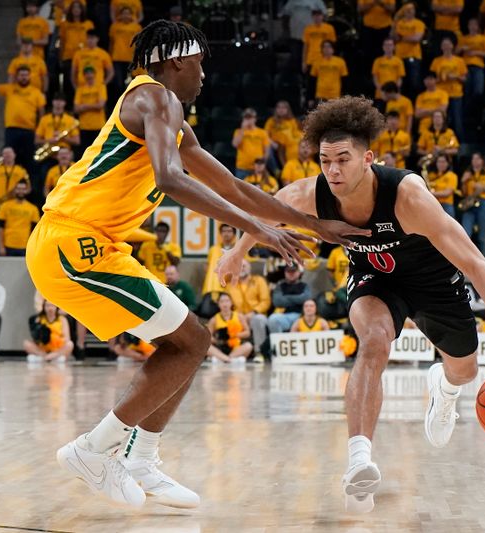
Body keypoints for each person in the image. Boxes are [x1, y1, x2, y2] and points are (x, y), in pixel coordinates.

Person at [26, 20, 366, 510]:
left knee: (190, 342)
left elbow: (234, 187)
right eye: (200, 64)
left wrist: (312, 225)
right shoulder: (154, 97)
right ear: (176, 63)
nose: (205, 75)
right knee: (189, 341)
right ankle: (93, 449)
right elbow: (169, 179)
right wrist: (260, 230)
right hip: (71, 241)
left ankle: (141, 458)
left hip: (94, 244)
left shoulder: (169, 116)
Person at [216, 95, 485, 513]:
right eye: (324, 160)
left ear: (368, 158)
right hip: (375, 279)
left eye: (343, 160)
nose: (332, 170)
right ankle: (359, 461)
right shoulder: (311, 194)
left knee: (465, 370)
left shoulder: (408, 197)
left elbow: (476, 263)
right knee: (373, 342)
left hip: (433, 280)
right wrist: (238, 252)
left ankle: (443, 388)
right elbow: (268, 210)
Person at [0, 64, 46, 173]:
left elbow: (41, 113)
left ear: (30, 76)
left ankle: (30, 187)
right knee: (9, 157)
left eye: (26, 75)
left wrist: (39, 130)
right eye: (21, 75)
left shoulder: (36, 92)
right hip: (11, 130)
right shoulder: (10, 88)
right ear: (16, 77)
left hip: (29, 131)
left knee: (29, 160)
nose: (23, 77)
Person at [227, 259, 271, 358]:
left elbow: (266, 301)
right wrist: (237, 316)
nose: (241, 268)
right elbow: (228, 304)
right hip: (238, 318)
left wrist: (253, 312)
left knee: (257, 320)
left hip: (256, 315)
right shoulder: (230, 285)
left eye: (244, 266)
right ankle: (234, 353)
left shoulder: (259, 281)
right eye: (239, 266)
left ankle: (259, 352)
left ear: (249, 268)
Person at [460, 152, 485, 257]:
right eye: (473, 159)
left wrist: (483, 188)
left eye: (477, 159)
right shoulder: (468, 174)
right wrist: (463, 181)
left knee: (481, 237)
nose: (475, 161)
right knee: (465, 234)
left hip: (484, 203)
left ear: (482, 161)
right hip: (470, 203)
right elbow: (463, 193)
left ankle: (483, 263)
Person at [429, 36, 467, 138]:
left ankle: (458, 143)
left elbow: (464, 79)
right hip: (441, 95)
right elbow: (432, 80)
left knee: (457, 120)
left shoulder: (460, 61)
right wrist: (441, 78)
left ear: (452, 46)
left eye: (448, 44)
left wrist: (455, 76)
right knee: (443, 120)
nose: (446, 46)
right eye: (444, 44)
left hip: (456, 94)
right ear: (441, 47)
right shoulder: (436, 61)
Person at [0, 179, 41, 257]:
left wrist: (34, 248)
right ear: (15, 190)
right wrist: (1, 246)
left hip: (25, 246)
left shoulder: (33, 209)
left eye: (23, 189)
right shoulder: (5, 206)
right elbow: (0, 227)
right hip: (8, 245)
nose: (21, 191)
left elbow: (36, 231)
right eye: (19, 189)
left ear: (26, 190)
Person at [206, 292, 252, 363]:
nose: (225, 304)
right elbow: (208, 336)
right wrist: (217, 340)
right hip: (220, 347)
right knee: (206, 347)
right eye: (222, 301)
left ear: (231, 303)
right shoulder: (214, 319)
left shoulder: (239, 316)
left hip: (235, 347)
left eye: (227, 301)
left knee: (248, 346)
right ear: (218, 304)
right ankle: (229, 360)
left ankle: (222, 359)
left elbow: (247, 332)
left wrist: (234, 334)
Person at [0, 147, 30, 217]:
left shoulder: (21, 171)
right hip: (0, 203)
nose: (7, 155)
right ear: (2, 156)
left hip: (15, 205)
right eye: (5, 153)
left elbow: (28, 188)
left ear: (14, 155)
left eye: (10, 153)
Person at [108, 7, 142, 101]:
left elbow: (140, 43)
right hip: (117, 58)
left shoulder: (137, 27)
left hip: (131, 59)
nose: (126, 15)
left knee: (132, 84)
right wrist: (110, 56)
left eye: (128, 13)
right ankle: (119, 103)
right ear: (120, 15)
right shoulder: (114, 26)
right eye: (124, 13)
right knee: (118, 84)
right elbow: (111, 42)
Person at [392, 3, 425, 96]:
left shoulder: (419, 23)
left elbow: (416, 39)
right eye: (407, 9)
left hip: (413, 57)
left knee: (414, 84)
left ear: (415, 11)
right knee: (400, 84)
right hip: (399, 57)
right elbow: (393, 37)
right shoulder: (398, 23)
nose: (409, 11)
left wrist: (401, 37)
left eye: (411, 9)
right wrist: (395, 21)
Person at [268, 263, 311, 333]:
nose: (291, 273)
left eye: (293, 271)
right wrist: (298, 299)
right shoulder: (280, 286)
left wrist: (286, 297)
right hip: (284, 316)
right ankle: (278, 342)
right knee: (272, 319)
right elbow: (277, 302)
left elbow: (306, 299)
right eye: (288, 271)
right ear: (285, 273)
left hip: (301, 315)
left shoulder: (304, 286)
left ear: (298, 272)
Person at [74, 66, 108, 155]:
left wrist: (84, 106)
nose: (89, 75)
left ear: (94, 74)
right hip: (84, 126)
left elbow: (100, 105)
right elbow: (76, 108)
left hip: (98, 125)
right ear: (84, 76)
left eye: (90, 73)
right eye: (86, 73)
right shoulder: (80, 89)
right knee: (85, 153)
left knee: (99, 152)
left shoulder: (100, 86)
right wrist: (93, 106)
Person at [233, 108, 271, 179]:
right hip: (242, 168)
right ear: (243, 119)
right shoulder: (239, 131)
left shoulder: (262, 133)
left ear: (255, 119)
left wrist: (262, 164)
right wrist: (242, 129)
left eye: (250, 117)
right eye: (246, 117)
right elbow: (235, 144)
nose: (248, 120)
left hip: (257, 169)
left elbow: (267, 150)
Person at [202, 224, 238, 296]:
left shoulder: (238, 249)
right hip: (213, 287)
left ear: (234, 234)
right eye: (224, 231)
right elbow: (207, 266)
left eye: (229, 231)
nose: (226, 233)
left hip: (233, 288)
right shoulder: (213, 249)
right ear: (220, 233)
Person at [302, 8, 336, 74]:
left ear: (322, 16)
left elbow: (332, 46)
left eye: (319, 15)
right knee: (311, 83)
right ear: (312, 17)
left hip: (325, 60)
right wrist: (304, 62)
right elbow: (305, 46)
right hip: (311, 60)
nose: (317, 18)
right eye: (315, 16)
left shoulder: (329, 28)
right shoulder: (308, 29)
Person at [426, 153, 458, 218]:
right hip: (432, 205)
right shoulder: (431, 175)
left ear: (448, 163)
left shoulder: (452, 175)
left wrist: (430, 193)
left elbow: (447, 193)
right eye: (439, 162)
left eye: (443, 162)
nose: (441, 164)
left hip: (446, 206)